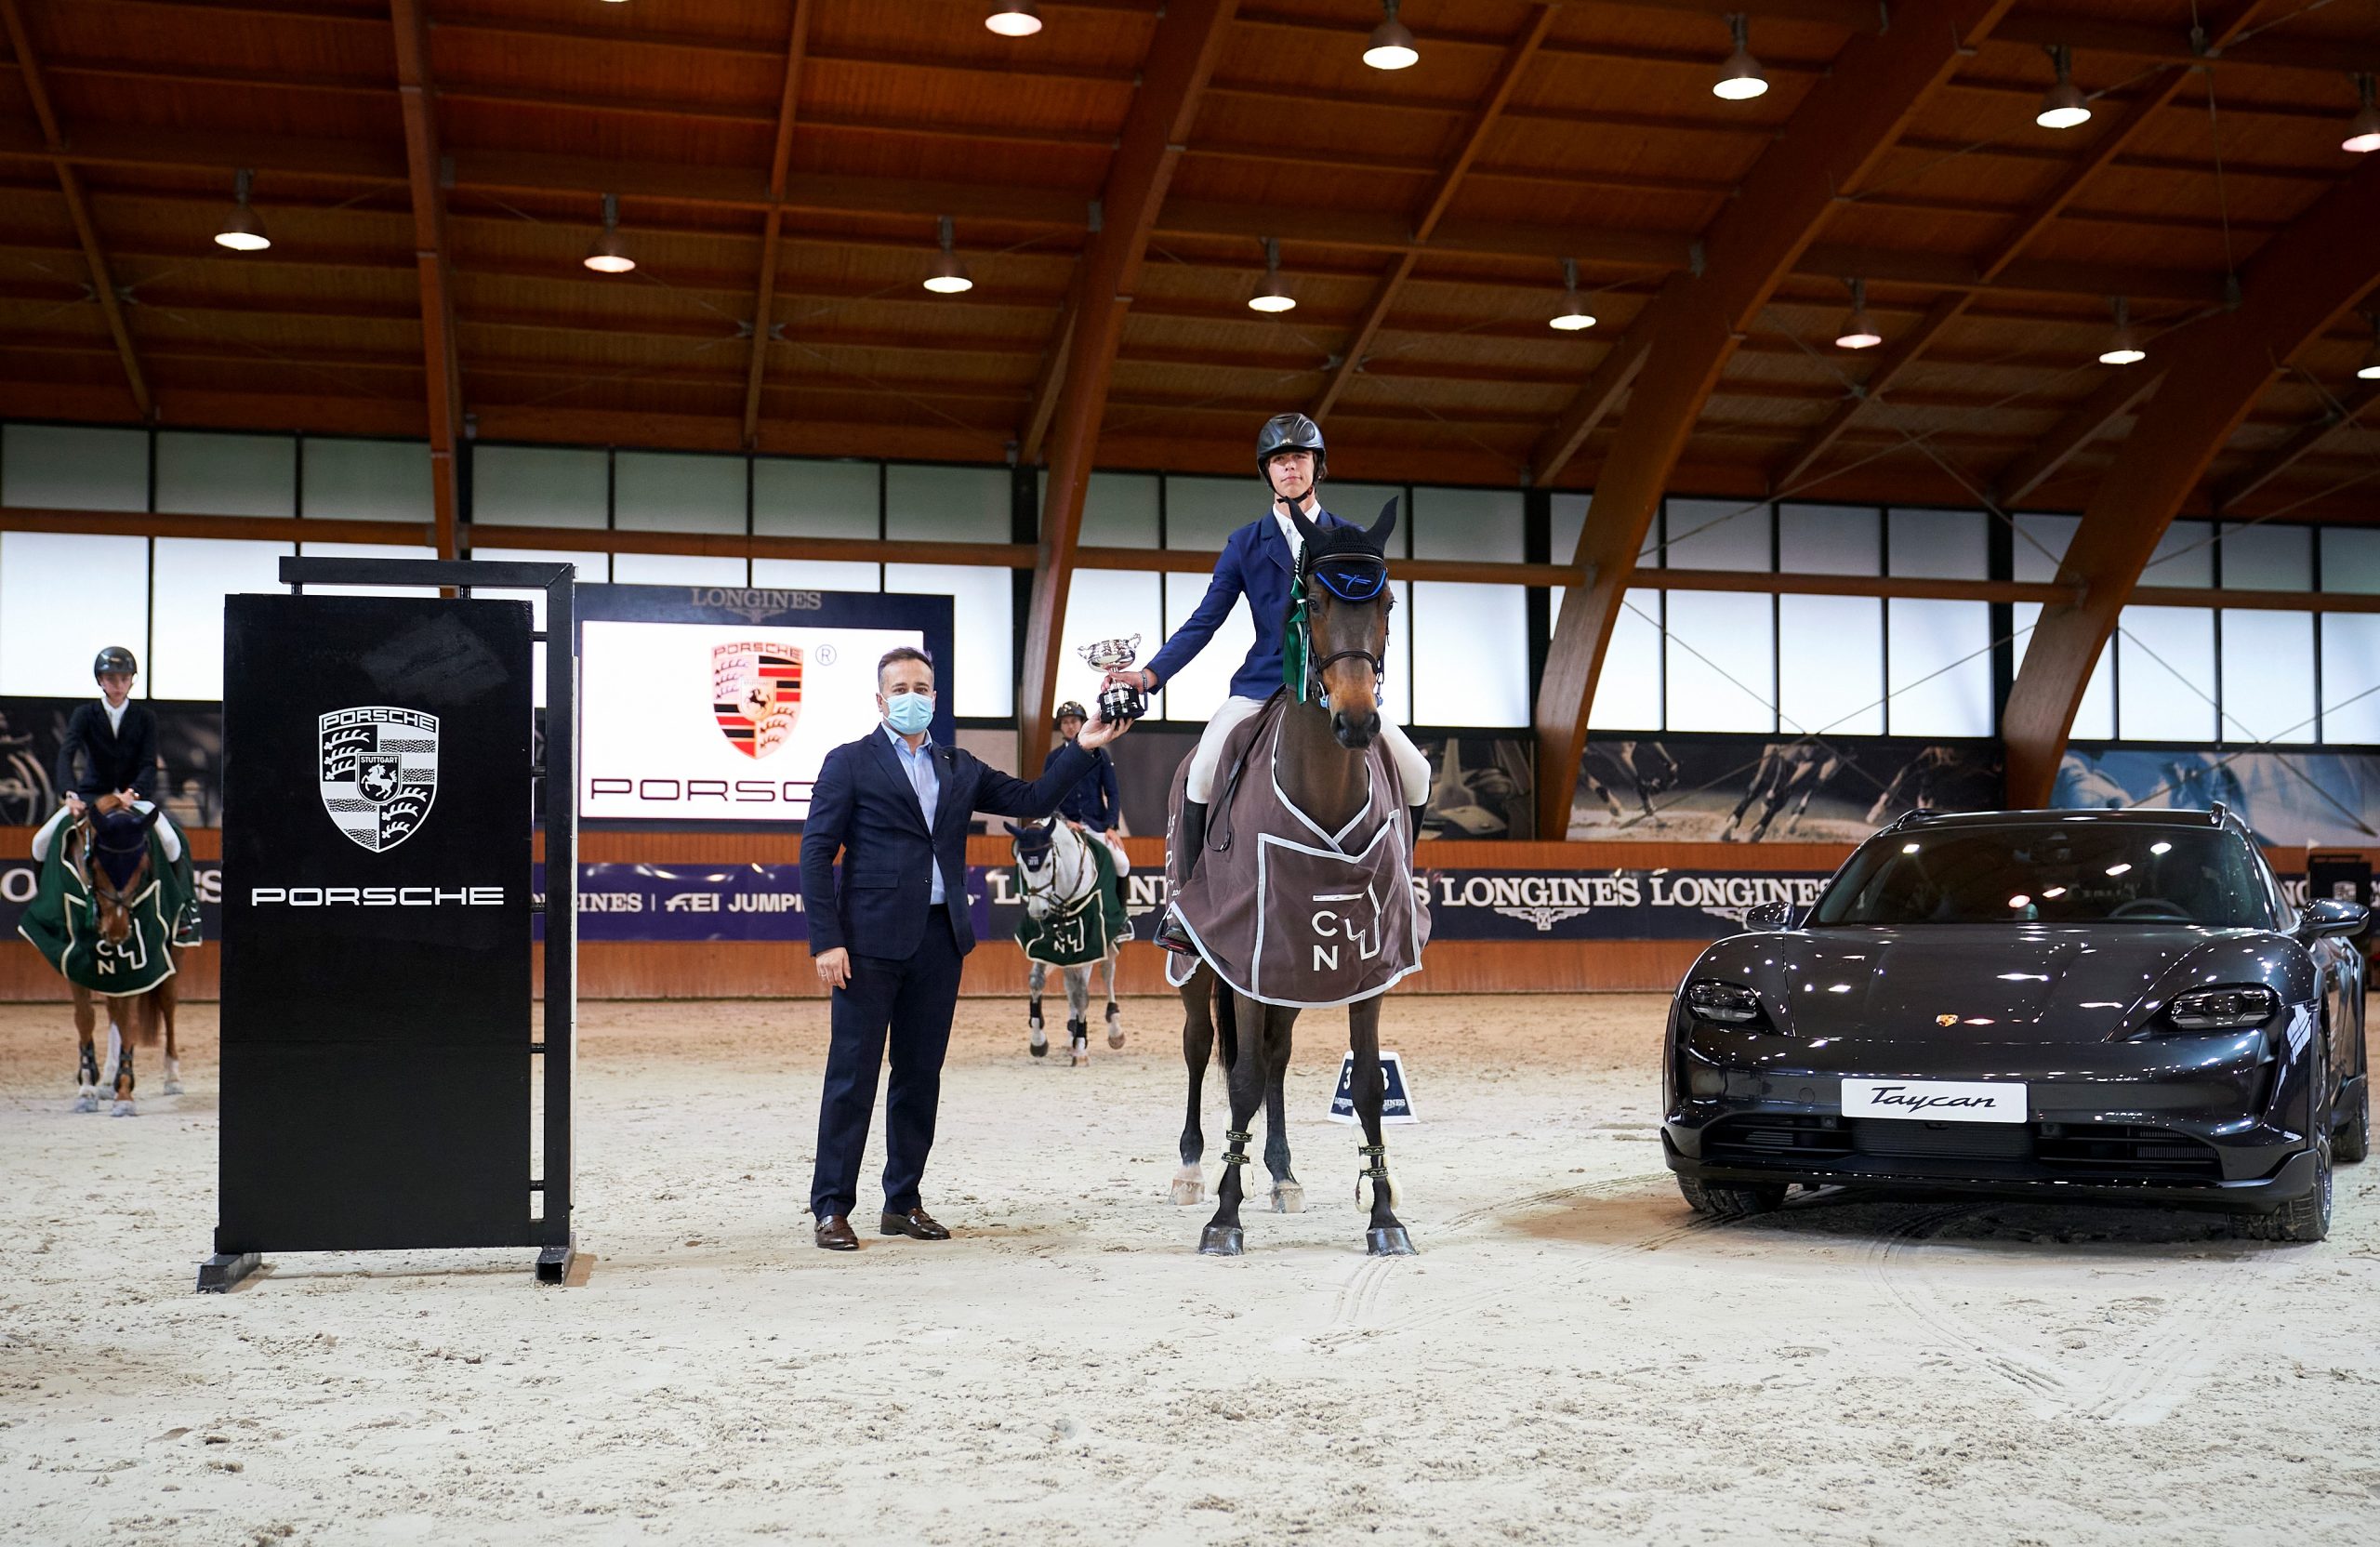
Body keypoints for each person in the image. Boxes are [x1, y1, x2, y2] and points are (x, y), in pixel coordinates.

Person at [800, 646, 1133, 1251]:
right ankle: (831, 1207)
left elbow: (1032, 801)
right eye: (899, 687)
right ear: (879, 700)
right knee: (851, 1077)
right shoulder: (847, 763)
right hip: (867, 945)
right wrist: (827, 940)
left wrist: (1082, 747)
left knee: (919, 1076)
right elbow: (815, 853)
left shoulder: (961, 766)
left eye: (921, 687)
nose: (911, 695)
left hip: (939, 941)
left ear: (934, 697)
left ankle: (902, 1201)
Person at [1105, 413, 1430, 951]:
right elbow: (1205, 620)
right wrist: (1149, 674)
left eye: (1299, 458)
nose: (1290, 468)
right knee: (1203, 773)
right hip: (1261, 685)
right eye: (1280, 460)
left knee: (1416, 774)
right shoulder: (1245, 543)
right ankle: (1186, 907)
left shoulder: (1349, 539)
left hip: (1336, 687)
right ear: (1268, 472)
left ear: (1316, 468)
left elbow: (1374, 616)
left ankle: (1398, 891)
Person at [55, 647, 201, 947]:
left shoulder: (144, 717)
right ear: (101, 681)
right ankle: (49, 912)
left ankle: (183, 913)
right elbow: (67, 752)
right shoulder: (85, 714)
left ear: (132, 681)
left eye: (124, 678)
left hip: (133, 796)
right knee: (41, 841)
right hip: (91, 795)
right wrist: (70, 794)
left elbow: (149, 762)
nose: (118, 684)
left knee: (173, 841)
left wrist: (133, 792)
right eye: (111, 678)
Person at [1043, 700, 1128, 874]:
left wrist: (1112, 826)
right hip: (1064, 824)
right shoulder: (1052, 758)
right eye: (1065, 722)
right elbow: (1047, 795)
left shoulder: (1101, 754)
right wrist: (1065, 821)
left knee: (1122, 863)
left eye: (1074, 721)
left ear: (1082, 723)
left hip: (1095, 824)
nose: (1070, 726)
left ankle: (1121, 902)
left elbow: (1112, 793)